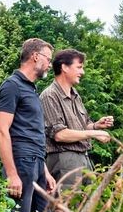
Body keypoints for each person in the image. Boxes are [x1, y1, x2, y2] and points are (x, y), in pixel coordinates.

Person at [0, 38, 57, 212]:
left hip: (36, 163)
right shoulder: (12, 86)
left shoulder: (31, 89)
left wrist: (45, 171)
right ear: (35, 56)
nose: (49, 64)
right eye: (48, 58)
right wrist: (12, 174)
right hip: (21, 163)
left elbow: (33, 135)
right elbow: (1, 131)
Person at [40, 48, 115, 192]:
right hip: (64, 161)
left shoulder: (76, 95)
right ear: (64, 67)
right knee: (64, 210)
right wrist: (92, 134)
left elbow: (83, 127)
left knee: (88, 209)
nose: (82, 72)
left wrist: (96, 126)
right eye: (79, 67)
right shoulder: (49, 96)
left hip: (84, 159)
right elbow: (59, 135)